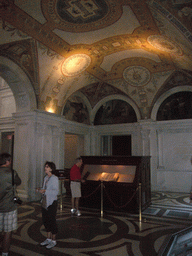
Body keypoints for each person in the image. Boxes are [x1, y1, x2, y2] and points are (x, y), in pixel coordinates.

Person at [0, 153, 21, 256]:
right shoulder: (12, 173)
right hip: (9, 207)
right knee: (8, 231)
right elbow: (19, 181)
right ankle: (5, 252)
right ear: (7, 161)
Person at [36, 161, 59, 249]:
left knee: (51, 220)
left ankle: (53, 240)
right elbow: (44, 188)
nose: (45, 168)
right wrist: (40, 190)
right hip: (45, 202)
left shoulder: (54, 178)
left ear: (51, 169)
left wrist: (45, 191)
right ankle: (48, 238)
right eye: (45, 166)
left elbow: (56, 191)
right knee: (45, 220)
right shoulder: (45, 178)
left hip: (52, 202)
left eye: (47, 167)